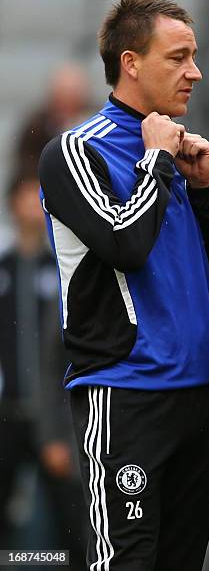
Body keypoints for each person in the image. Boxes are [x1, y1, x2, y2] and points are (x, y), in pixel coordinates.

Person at [39, 0, 209, 571]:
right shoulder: (77, 150)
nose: (195, 72)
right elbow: (124, 247)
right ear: (131, 63)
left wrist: (204, 189)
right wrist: (155, 161)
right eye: (178, 57)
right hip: (125, 392)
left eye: (196, 56)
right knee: (126, 562)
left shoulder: (176, 151)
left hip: (197, 399)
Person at [0, 175, 85, 569]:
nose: (32, 205)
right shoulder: (4, 268)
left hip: (53, 417)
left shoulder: (63, 270)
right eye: (25, 195)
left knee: (72, 523)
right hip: (7, 413)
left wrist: (56, 428)